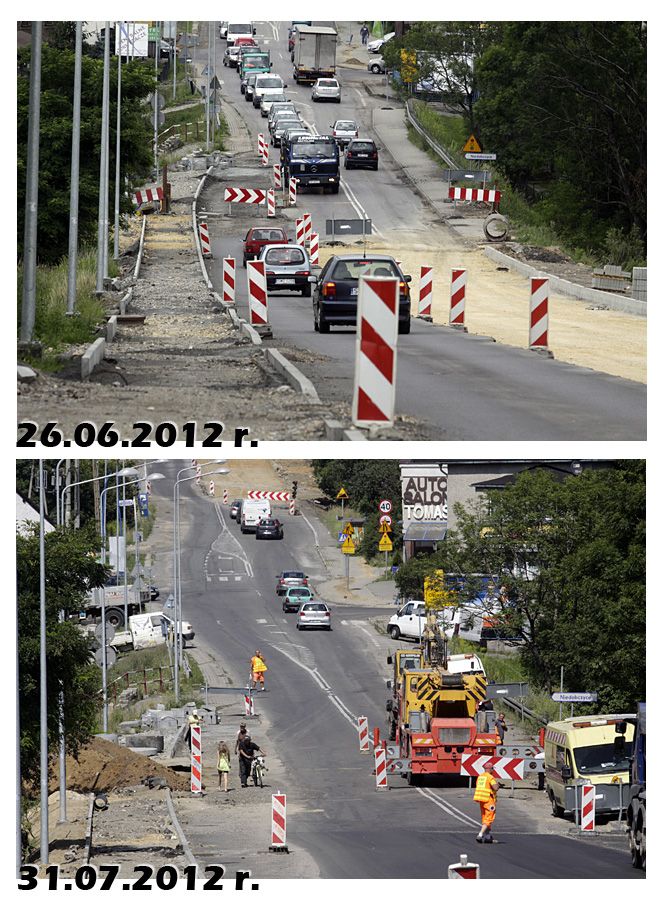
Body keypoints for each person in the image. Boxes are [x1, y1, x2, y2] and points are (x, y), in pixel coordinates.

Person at [473, 759, 500, 843]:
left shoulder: (480, 777)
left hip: (482, 800)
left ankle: (488, 837)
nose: (493, 770)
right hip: (489, 800)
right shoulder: (490, 777)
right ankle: (480, 835)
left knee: (485, 819)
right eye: (493, 768)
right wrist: (498, 785)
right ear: (490, 769)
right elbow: (495, 788)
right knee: (489, 819)